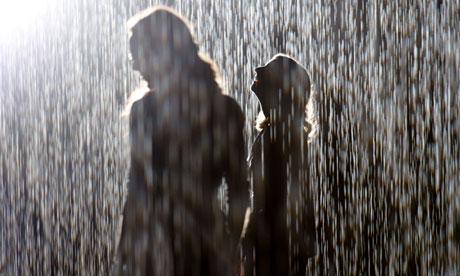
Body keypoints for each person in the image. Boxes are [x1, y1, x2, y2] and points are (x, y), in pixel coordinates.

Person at [114, 6, 248, 275]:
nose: (134, 64)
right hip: (207, 245)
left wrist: (125, 254)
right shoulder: (226, 110)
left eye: (137, 54)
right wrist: (231, 246)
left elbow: (137, 187)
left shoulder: (144, 111)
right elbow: (239, 191)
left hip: (154, 247)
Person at [241, 54, 317, 276]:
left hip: (274, 247)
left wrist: (247, 243)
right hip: (280, 245)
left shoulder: (279, 135)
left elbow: (272, 199)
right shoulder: (282, 131)